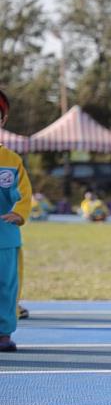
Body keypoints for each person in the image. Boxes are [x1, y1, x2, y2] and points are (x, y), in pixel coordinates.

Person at [0, 89, 31, 352]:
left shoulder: (12, 161)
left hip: (5, 237)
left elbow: (24, 193)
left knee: (7, 286)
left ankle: (3, 332)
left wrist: (20, 211)